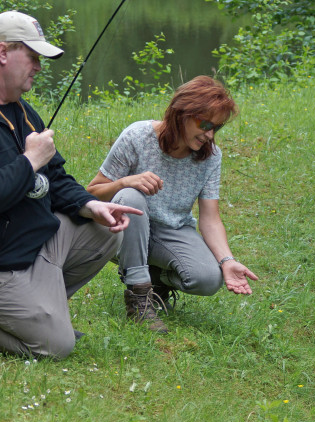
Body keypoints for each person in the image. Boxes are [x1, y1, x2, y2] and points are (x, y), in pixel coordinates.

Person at [0, 11, 142, 358]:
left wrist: (91, 205)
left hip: (29, 245)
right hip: (4, 259)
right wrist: (30, 161)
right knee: (56, 346)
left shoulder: (23, 112)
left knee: (104, 230)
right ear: (3, 52)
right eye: (32, 56)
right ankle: (40, 321)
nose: (38, 66)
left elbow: (57, 177)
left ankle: (39, 312)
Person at [87, 76, 258, 333]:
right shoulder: (137, 136)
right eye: (205, 124)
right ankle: (139, 295)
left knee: (209, 280)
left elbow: (210, 218)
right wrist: (125, 182)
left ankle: (156, 281)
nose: (210, 135)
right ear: (182, 113)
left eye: (217, 128)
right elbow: (92, 194)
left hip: (172, 231)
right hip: (123, 228)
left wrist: (227, 260)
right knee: (132, 196)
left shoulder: (211, 157)